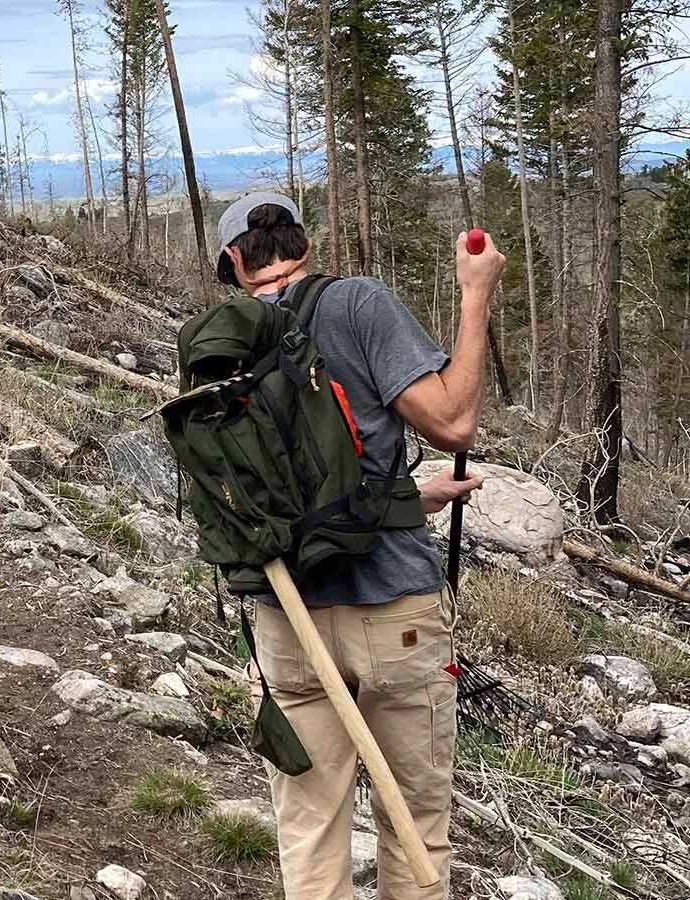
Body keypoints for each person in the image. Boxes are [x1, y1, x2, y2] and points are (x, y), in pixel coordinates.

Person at [215, 192, 504, 900]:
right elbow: (453, 422)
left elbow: (273, 486)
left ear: (232, 262)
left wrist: (410, 496)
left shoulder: (218, 335)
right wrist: (475, 295)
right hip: (393, 609)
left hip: (285, 615)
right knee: (414, 820)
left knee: (310, 828)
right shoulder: (357, 304)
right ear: (304, 245)